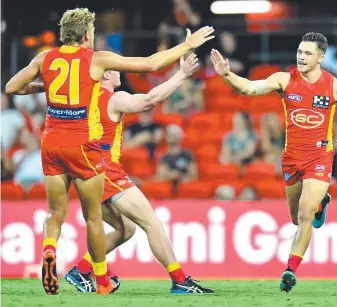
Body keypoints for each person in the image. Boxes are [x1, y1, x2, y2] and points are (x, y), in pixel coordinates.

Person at [5, 8, 215, 295]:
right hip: (96, 161)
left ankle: (75, 265)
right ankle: (173, 280)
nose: (115, 72)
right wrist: (186, 50)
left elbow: (11, 87)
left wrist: (48, 86)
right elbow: (151, 71)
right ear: (86, 35)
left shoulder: (46, 58)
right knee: (139, 220)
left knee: (113, 226)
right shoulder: (106, 84)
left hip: (52, 143)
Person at [210, 32, 337, 292]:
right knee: (296, 219)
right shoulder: (284, 80)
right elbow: (250, 88)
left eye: (308, 53)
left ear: (321, 57)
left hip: (320, 157)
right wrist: (226, 74)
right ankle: (322, 203)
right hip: (291, 159)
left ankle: (290, 270)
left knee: (304, 214)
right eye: (299, 51)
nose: (301, 56)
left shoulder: (336, 86)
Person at [64, 53, 213, 294]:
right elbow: (150, 100)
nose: (120, 71)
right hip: (105, 168)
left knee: (127, 229)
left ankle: (81, 269)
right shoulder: (114, 98)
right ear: (106, 74)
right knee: (150, 222)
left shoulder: (83, 96)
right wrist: (182, 74)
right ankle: (180, 280)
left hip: (84, 171)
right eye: (116, 67)